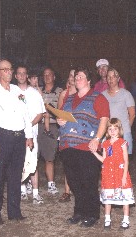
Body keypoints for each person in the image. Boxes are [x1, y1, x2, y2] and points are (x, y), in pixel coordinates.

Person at [57, 66, 109, 227]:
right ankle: (79, 212)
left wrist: (97, 139)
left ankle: (92, 213)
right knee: (74, 181)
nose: (77, 79)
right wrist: (60, 121)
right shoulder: (69, 98)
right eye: (75, 77)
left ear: (88, 80)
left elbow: (104, 119)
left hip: (87, 147)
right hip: (68, 146)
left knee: (88, 181)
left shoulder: (98, 97)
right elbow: (62, 116)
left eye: (81, 76)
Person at [0, 59, 33, 225]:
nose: (9, 72)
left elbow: (25, 114)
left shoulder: (17, 91)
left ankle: (14, 211)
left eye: (10, 69)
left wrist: (29, 135)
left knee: (15, 176)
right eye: (4, 70)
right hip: (2, 136)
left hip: (19, 137)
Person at [93, 118, 135, 230]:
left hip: (120, 173)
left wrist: (124, 176)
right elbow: (104, 159)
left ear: (119, 130)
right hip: (108, 174)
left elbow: (126, 160)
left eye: (115, 129)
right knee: (108, 198)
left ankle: (126, 220)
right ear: (107, 131)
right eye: (110, 129)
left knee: (124, 198)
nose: (112, 131)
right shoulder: (105, 144)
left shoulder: (122, 143)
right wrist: (94, 153)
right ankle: (107, 219)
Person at [15, 65, 45, 204]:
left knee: (32, 163)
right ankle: (21, 191)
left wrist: (28, 126)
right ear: (16, 76)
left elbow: (40, 114)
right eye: (19, 74)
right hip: (16, 134)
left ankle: (35, 193)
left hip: (31, 134)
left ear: (27, 76)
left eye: (24, 73)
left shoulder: (34, 93)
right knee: (19, 163)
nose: (21, 76)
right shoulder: (11, 91)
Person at [38, 67, 63, 195]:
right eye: (44, 75)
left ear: (54, 77)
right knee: (34, 157)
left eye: (49, 74)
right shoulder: (38, 91)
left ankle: (51, 183)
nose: (47, 77)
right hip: (38, 126)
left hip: (53, 126)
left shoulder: (60, 92)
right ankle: (31, 184)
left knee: (50, 157)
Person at [102, 68, 135, 155]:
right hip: (108, 134)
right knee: (108, 160)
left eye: (113, 77)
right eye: (108, 77)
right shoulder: (102, 95)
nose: (111, 79)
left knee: (123, 161)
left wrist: (125, 130)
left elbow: (132, 115)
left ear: (118, 78)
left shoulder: (126, 94)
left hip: (123, 133)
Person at [57, 69, 77, 203]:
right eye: (70, 75)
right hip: (66, 133)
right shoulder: (64, 93)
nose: (72, 77)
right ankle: (67, 191)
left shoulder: (84, 93)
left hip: (80, 134)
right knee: (68, 163)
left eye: (75, 75)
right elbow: (59, 112)